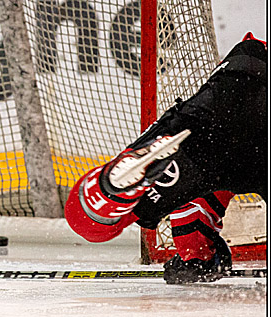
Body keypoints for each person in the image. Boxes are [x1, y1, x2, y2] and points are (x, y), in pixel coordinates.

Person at [64, 33, 267, 283]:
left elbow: (194, 207)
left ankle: (109, 195)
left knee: (94, 222)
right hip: (244, 83)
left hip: (214, 139)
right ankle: (109, 191)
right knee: (195, 153)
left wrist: (195, 260)